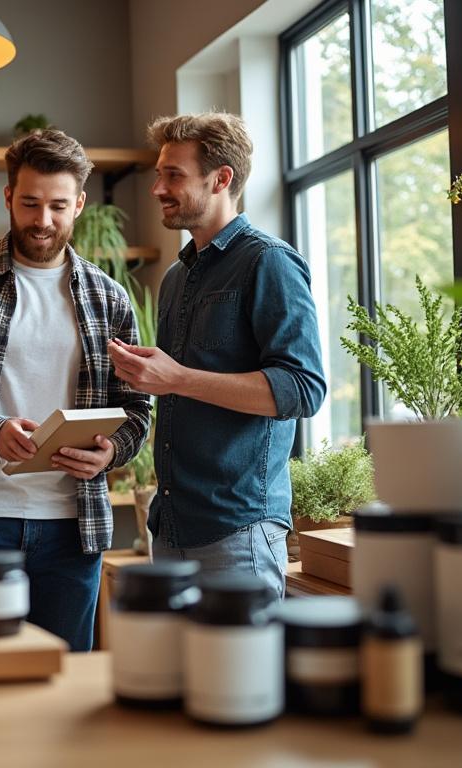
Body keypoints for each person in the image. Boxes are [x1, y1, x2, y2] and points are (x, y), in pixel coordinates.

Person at [0, 129, 151, 651]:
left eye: (58, 206)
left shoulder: (109, 299)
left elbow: (136, 407)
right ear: (8, 197)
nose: (43, 220)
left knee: (65, 678)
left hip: (74, 529)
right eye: (30, 203)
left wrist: (111, 452)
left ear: (79, 204)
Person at [108, 112, 326, 600]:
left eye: (173, 175)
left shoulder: (269, 261)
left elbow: (302, 389)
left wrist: (177, 378)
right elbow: (175, 383)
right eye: (159, 174)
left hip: (238, 532)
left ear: (221, 179)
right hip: (170, 528)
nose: (157, 188)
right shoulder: (176, 278)